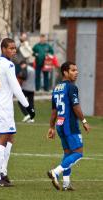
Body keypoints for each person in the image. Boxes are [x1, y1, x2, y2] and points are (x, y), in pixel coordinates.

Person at [0, 38, 35, 187]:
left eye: (15, 48)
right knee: (2, 139)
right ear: (3, 49)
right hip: (2, 107)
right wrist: (28, 106)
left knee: (10, 137)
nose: (13, 51)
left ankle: (3, 172)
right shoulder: (9, 65)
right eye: (10, 48)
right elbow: (16, 87)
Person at [47, 61, 90, 191]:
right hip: (70, 124)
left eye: (76, 70)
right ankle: (55, 172)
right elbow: (75, 106)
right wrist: (84, 121)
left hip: (60, 124)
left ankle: (66, 184)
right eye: (73, 70)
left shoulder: (57, 88)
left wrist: (52, 127)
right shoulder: (71, 87)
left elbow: (54, 110)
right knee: (78, 153)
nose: (76, 72)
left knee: (68, 153)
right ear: (65, 72)